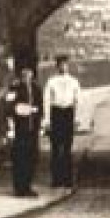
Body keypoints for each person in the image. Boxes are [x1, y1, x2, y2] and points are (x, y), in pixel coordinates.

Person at [5, 62, 42, 196]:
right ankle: (19, 187)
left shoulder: (36, 89)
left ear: (32, 74)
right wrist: (10, 128)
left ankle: (28, 186)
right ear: (20, 74)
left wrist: (40, 123)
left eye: (29, 72)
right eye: (24, 72)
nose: (27, 74)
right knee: (20, 158)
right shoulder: (14, 88)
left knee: (31, 158)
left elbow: (39, 108)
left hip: (33, 129)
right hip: (20, 129)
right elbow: (10, 108)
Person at [44, 55, 81, 187]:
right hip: (56, 113)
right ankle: (56, 179)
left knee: (67, 148)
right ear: (57, 66)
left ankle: (67, 179)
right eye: (60, 64)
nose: (63, 67)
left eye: (65, 64)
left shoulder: (74, 81)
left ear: (68, 65)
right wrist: (47, 120)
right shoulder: (51, 81)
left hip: (68, 113)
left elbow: (77, 101)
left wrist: (77, 119)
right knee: (55, 148)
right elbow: (47, 101)